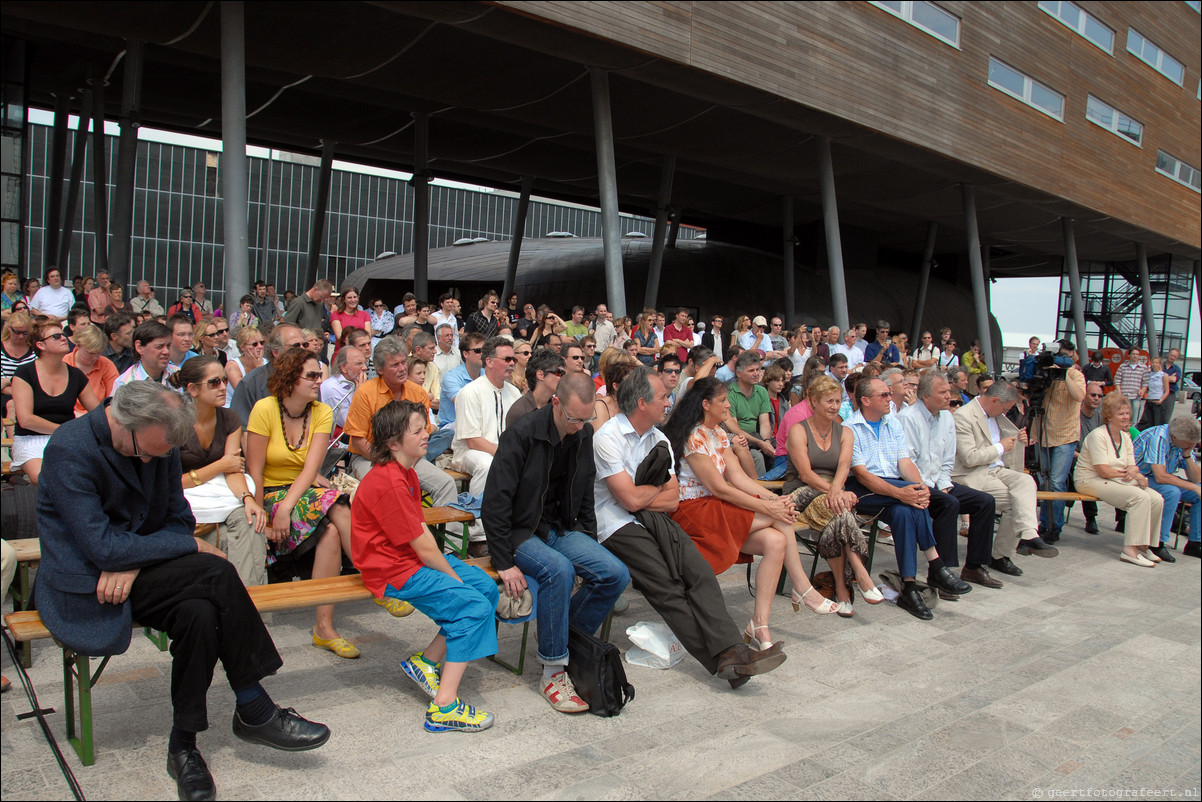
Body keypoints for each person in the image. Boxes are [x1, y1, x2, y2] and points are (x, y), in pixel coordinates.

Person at [35, 381, 330, 798]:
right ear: (123, 421)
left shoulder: (160, 441)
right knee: (215, 573)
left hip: (131, 570)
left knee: (200, 612)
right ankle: (253, 706)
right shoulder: (71, 449)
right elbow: (100, 546)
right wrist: (177, 546)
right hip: (87, 582)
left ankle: (183, 744)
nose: (154, 459)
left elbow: (177, 519)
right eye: (147, 453)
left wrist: (134, 559)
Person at [593, 366, 787, 687]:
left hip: (654, 518)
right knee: (668, 588)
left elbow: (670, 500)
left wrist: (641, 496)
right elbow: (627, 502)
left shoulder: (660, 439)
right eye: (663, 397)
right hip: (615, 525)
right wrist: (644, 495)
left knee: (699, 572)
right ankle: (725, 660)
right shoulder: (608, 438)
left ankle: (735, 653)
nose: (670, 402)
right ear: (642, 403)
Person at [482, 373, 629, 713]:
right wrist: (504, 561)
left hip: (558, 527)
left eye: (587, 418)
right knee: (558, 571)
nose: (580, 425)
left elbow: (586, 496)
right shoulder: (521, 433)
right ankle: (552, 670)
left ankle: (564, 640)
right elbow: (495, 502)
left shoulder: (584, 434)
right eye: (574, 418)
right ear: (556, 403)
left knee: (614, 573)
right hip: (519, 531)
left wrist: (590, 542)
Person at [349, 400, 497, 731]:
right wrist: (455, 581)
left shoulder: (406, 472)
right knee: (471, 604)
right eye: (417, 430)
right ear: (393, 444)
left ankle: (426, 661)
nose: (426, 433)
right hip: (391, 571)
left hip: (409, 560)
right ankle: (443, 707)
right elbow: (425, 547)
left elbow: (422, 545)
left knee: (485, 587)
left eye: (424, 426)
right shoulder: (387, 481)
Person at [665, 377, 834, 645]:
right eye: (722, 400)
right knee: (779, 516)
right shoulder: (692, 436)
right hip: (694, 511)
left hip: (716, 507)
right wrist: (771, 506)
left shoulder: (719, 433)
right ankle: (802, 587)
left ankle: (760, 624)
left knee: (776, 539)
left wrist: (774, 498)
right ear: (706, 404)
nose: (728, 405)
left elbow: (742, 480)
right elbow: (719, 487)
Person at [246, 346, 360, 656]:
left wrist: (288, 506)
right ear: (290, 378)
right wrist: (266, 514)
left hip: (301, 491)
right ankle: (373, 579)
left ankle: (325, 627)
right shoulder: (264, 409)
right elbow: (254, 471)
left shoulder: (321, 412)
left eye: (320, 375)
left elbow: (311, 469)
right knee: (335, 502)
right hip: (269, 493)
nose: (318, 381)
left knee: (334, 517)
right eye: (311, 375)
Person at [843, 378, 971, 620]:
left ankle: (910, 586)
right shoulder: (850, 427)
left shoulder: (892, 422)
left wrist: (919, 487)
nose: (890, 399)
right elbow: (862, 474)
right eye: (883, 395)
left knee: (906, 509)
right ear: (866, 400)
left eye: (890, 394)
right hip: (864, 488)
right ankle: (935, 564)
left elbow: (904, 461)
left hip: (894, 487)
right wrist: (904, 492)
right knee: (911, 498)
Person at [782, 376, 883, 616]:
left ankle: (842, 588)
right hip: (801, 494)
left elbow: (844, 468)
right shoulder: (799, 430)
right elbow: (805, 474)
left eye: (838, 401)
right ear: (814, 401)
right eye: (829, 401)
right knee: (838, 507)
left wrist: (836, 490)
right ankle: (860, 574)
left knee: (836, 517)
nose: (834, 406)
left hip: (831, 497)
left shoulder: (845, 431)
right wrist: (836, 492)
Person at [171, 356, 269, 586]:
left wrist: (248, 499)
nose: (224, 387)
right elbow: (170, 482)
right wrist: (219, 466)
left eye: (224, 380)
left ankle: (248, 600)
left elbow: (233, 469)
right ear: (193, 389)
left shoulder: (229, 418)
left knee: (250, 518)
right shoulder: (174, 423)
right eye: (214, 382)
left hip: (220, 497)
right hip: (183, 503)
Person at [899, 373, 1001, 591]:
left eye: (948, 391)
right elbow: (908, 462)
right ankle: (941, 572)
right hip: (914, 483)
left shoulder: (946, 417)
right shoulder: (908, 418)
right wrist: (934, 487)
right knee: (949, 504)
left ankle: (973, 567)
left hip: (939, 481)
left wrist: (945, 483)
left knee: (984, 502)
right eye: (942, 392)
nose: (949, 396)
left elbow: (947, 459)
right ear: (926, 396)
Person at [952, 382, 1057, 577]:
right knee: (1015, 503)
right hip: (973, 473)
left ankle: (1029, 535)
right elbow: (969, 458)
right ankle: (1001, 556)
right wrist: (1001, 447)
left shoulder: (996, 414)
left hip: (997, 469)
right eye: (1005, 408)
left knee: (1027, 483)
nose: (1006, 412)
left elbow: (1005, 450)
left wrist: (1018, 442)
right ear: (995, 400)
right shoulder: (964, 416)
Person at [344, 335, 456, 503]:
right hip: (370, 457)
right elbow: (358, 439)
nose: (402, 368)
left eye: (403, 362)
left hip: (410, 457)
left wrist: (406, 463)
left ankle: (435, 528)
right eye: (395, 365)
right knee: (386, 487)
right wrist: (390, 464)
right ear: (380, 369)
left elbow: (422, 436)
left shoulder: (417, 392)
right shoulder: (365, 393)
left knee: (447, 484)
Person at [450, 336, 523, 556]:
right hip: (470, 453)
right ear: (489, 361)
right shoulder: (470, 392)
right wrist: (506, 455)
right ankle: (479, 536)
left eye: (513, 359)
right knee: (487, 463)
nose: (512, 363)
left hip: (503, 452)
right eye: (507, 359)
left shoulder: (514, 392)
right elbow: (472, 440)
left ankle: (519, 527)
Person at [1074, 393, 1164, 567]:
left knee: (1156, 499)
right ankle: (1130, 550)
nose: (1126, 417)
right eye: (1121, 414)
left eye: (1127, 413)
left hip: (1114, 478)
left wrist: (1136, 473)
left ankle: (1144, 546)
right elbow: (1103, 470)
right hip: (1090, 479)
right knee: (1140, 497)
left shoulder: (1126, 437)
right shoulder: (1097, 436)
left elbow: (1132, 466)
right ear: (1109, 416)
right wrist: (1135, 476)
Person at [11, 318, 102, 484]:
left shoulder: (75, 375)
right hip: (30, 439)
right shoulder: (25, 373)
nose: (63, 338)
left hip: (65, 440)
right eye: (56, 336)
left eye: (63, 334)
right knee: (43, 478)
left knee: (79, 476)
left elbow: (98, 412)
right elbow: (26, 420)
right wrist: (65, 430)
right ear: (40, 345)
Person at [1035, 340, 1086, 544]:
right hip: (1044, 432)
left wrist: (1064, 374)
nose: (1059, 360)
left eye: (1064, 356)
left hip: (1065, 434)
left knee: (1056, 482)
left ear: (1072, 355)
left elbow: (1080, 396)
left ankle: (1055, 526)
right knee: (1043, 480)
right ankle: (1044, 523)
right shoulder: (1047, 373)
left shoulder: (1076, 375)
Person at [1134, 417, 1200, 560]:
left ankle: (1195, 542)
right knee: (1172, 492)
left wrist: (1187, 455)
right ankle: (1157, 543)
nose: (1191, 445)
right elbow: (1160, 476)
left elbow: (1197, 479)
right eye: (1188, 443)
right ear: (1175, 437)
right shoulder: (1158, 437)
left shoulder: (1181, 443)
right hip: (1139, 477)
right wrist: (1194, 487)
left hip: (1158, 478)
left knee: (1198, 491)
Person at [725, 350, 776, 477]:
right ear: (739, 373)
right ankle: (761, 489)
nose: (756, 374)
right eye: (751, 371)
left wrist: (766, 441)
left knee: (782, 449)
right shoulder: (730, 393)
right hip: (738, 439)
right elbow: (735, 428)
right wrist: (760, 443)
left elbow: (765, 423)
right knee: (757, 456)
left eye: (758, 370)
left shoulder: (762, 391)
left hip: (757, 436)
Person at [63, 324, 119, 415]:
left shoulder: (106, 365)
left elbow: (113, 398)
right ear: (78, 345)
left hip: (98, 416)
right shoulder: (64, 363)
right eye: (90, 353)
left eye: (98, 353)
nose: (95, 357)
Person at [506, 348, 565, 427]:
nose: (563, 378)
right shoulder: (518, 412)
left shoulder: (559, 408)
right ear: (541, 375)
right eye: (559, 372)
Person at [1075, 381, 1106, 534]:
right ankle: (1091, 518)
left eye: (1100, 396)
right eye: (1093, 395)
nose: (1096, 398)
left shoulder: (1100, 418)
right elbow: (1069, 446)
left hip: (1095, 460)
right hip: (1075, 457)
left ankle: (1122, 519)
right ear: (1084, 395)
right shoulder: (1075, 415)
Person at [437, 331, 485, 428]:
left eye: (485, 350)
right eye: (477, 350)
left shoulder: (487, 374)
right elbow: (464, 404)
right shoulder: (451, 377)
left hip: (478, 423)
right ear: (465, 354)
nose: (483, 353)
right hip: (452, 428)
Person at [321, 343, 367, 430]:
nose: (364, 367)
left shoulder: (358, 383)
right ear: (344, 367)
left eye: (365, 363)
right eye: (359, 364)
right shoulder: (332, 388)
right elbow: (349, 424)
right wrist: (361, 394)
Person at [1, 310, 37, 420]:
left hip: (33, 394)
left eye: (25, 333)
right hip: (7, 396)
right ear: (9, 328)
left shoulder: (35, 350)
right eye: (17, 332)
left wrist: (9, 380)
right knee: (13, 404)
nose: (21, 336)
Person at [1113, 349, 1149, 428]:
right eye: (1133, 354)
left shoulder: (1143, 367)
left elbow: (1145, 382)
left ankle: (1131, 436)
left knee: (1134, 419)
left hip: (1136, 397)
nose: (1135, 356)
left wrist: (1142, 390)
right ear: (1129, 355)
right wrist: (1119, 393)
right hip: (1124, 396)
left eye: (1137, 354)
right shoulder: (1123, 366)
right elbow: (1117, 380)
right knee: (1122, 417)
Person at [227, 325, 267, 390]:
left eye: (262, 343)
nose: (260, 346)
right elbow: (243, 391)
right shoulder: (232, 365)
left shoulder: (267, 362)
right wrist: (259, 369)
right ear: (242, 347)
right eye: (255, 344)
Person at [1144, 356, 1170, 427]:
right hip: (1149, 400)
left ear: (1160, 364)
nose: (1154, 364)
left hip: (1157, 400)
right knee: (1149, 423)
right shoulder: (1149, 374)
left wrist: (1161, 400)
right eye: (1153, 362)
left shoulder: (1163, 375)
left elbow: (1167, 391)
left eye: (1156, 362)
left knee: (1157, 423)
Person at [1162, 348, 1182, 420]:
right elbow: (1155, 378)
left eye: (1174, 356)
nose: (1172, 357)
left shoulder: (1177, 369)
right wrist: (1169, 378)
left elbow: (1174, 379)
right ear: (1168, 354)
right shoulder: (1160, 365)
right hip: (1159, 392)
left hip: (1170, 394)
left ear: (1176, 358)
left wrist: (1162, 377)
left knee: (1166, 417)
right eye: (1171, 355)